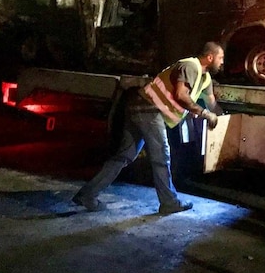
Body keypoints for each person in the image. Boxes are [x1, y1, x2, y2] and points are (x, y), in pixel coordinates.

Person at [72, 42, 225, 215]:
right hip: (148, 109)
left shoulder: (205, 79)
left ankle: (87, 194)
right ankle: (169, 202)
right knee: (162, 156)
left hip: (141, 108)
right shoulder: (190, 65)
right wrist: (204, 113)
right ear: (209, 57)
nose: (222, 63)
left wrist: (223, 118)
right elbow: (181, 95)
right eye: (220, 58)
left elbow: (212, 103)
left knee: (124, 156)